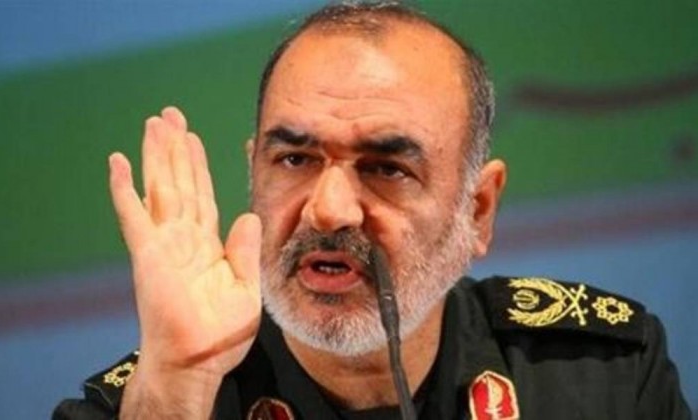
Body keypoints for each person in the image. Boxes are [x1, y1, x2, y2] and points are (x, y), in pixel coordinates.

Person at [53, 2, 691, 419]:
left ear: (478, 210)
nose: (330, 211)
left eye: (387, 168)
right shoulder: (145, 402)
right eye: (295, 159)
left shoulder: (600, 377)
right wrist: (178, 386)